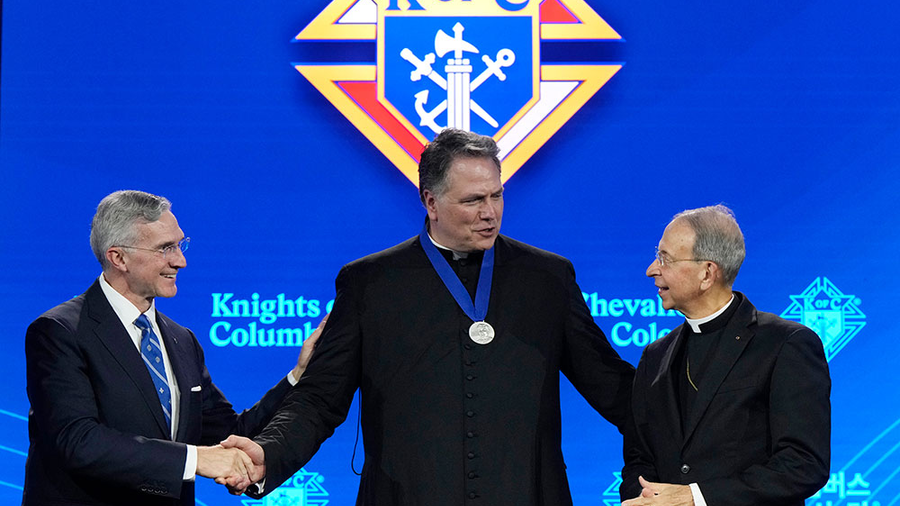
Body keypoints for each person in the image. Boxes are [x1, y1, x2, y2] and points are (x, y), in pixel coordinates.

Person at [221, 128, 636, 505]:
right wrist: (270, 453)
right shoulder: (369, 283)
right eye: (473, 200)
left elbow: (612, 387)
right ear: (431, 201)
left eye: (497, 195)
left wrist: (693, 452)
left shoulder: (547, 278)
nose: (490, 212)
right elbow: (320, 399)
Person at [23, 190, 323, 506]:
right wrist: (194, 460)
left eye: (180, 244)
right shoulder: (59, 331)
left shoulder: (182, 340)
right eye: (165, 248)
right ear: (118, 257)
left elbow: (229, 435)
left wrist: (298, 375)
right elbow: (78, 441)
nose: (180, 260)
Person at [620, 205, 831, 506]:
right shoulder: (655, 357)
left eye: (665, 258)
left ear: (707, 272)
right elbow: (638, 459)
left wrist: (696, 497)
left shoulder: (785, 345)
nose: (652, 270)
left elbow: (803, 464)